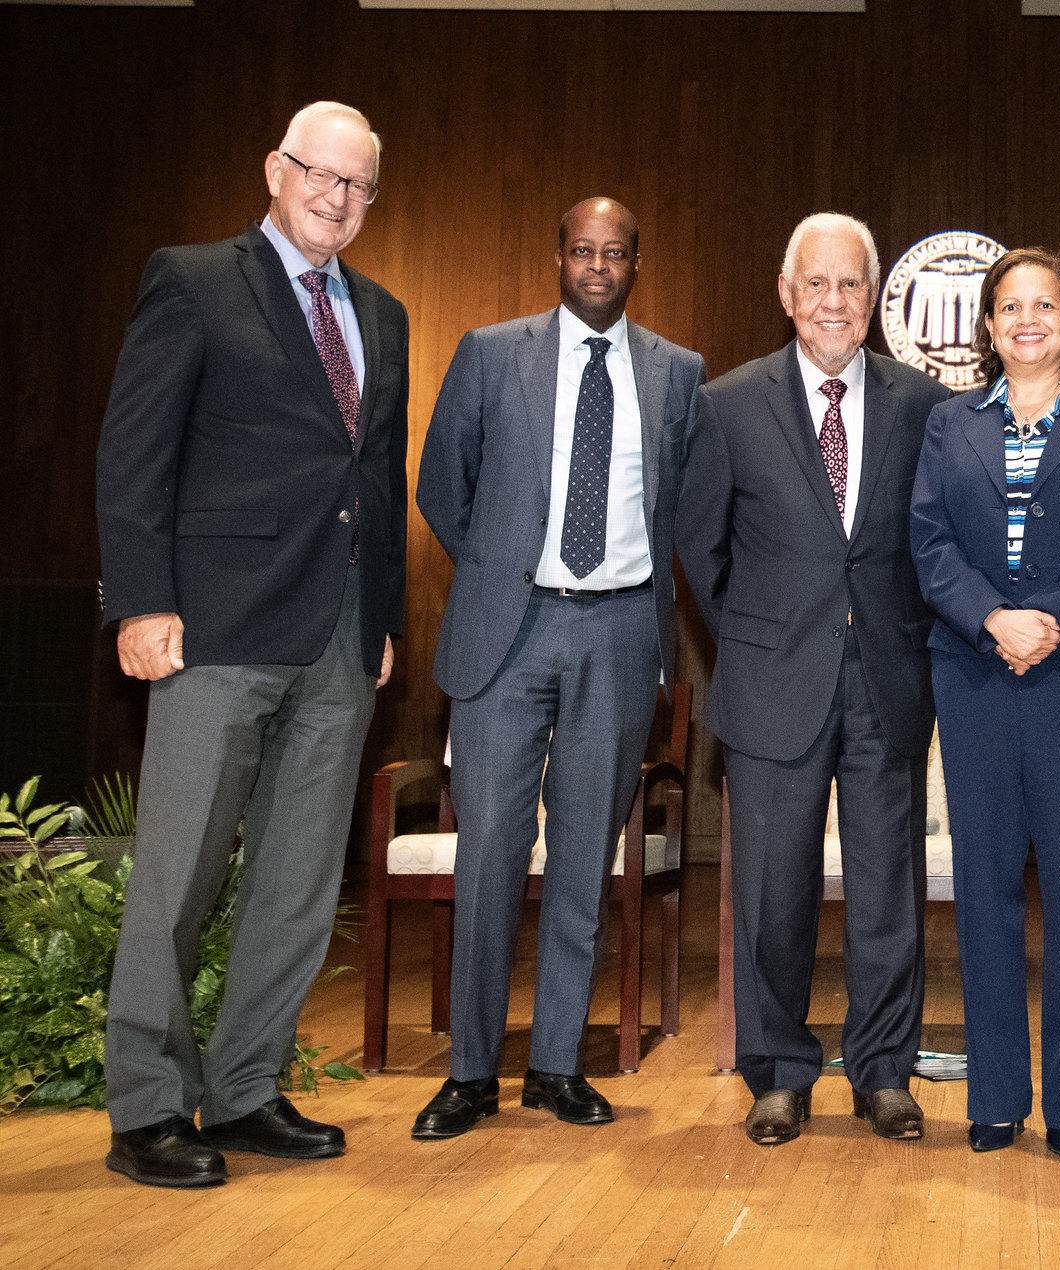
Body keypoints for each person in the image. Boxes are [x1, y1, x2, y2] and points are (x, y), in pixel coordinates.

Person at [95, 102, 408, 1188]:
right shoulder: (191, 279)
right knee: (176, 873)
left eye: (359, 186)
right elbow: (133, 451)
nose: (338, 198)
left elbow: (375, 475)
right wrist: (140, 601)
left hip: (335, 632)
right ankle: (144, 1109)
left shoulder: (384, 311)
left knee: (299, 878)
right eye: (322, 174)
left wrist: (382, 623)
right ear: (275, 167)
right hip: (213, 625)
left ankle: (243, 1088)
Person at [409, 198, 700, 1139]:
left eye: (617, 253)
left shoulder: (679, 374)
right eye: (583, 250)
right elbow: (441, 482)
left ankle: (555, 1066)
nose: (599, 266)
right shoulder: (492, 353)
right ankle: (467, 1073)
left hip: (621, 636)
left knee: (585, 857)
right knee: (489, 850)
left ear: (637, 262)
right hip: (511, 628)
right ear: (559, 256)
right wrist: (501, 568)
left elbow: (689, 507)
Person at [676, 213, 953, 1146]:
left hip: (887, 677)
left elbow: (929, 541)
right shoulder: (725, 403)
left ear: (873, 300)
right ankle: (780, 1074)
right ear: (787, 294)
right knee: (771, 896)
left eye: (851, 286)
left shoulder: (921, 403)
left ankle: (883, 1073)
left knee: (887, 894)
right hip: (768, 683)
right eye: (817, 285)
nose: (834, 302)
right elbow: (700, 545)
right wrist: (757, 637)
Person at [910, 249, 1060, 1157]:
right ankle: (997, 1100)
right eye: (1008, 306)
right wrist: (992, 621)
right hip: (973, 676)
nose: (1026, 321)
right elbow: (929, 546)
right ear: (986, 325)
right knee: (982, 893)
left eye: (1044, 306)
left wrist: (1047, 620)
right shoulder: (948, 426)